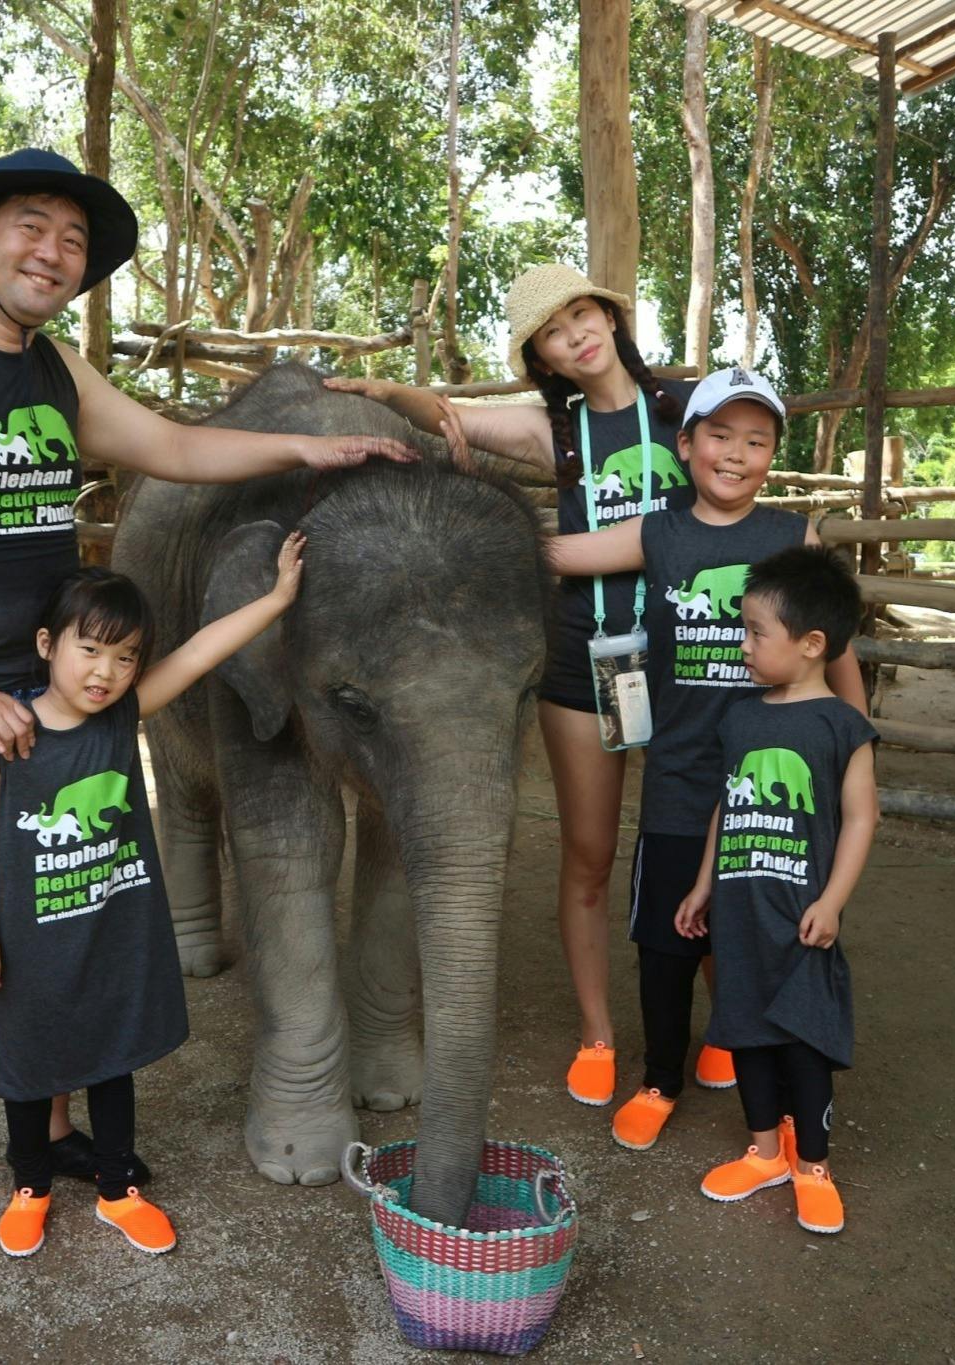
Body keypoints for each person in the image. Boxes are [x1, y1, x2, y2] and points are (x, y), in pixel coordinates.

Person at [0, 148, 410, 1288]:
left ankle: (58, 1129)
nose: (53, 254)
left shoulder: (56, 375)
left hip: (54, 696)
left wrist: (309, 444)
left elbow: (173, 449)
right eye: (34, 227)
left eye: (74, 243)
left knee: (63, 925)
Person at [325, 263, 708, 1109]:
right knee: (587, 855)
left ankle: (721, 1023)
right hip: (585, 658)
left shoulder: (688, 408)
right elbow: (454, 418)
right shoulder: (558, 430)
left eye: (583, 312)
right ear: (542, 357)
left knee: (697, 846)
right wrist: (386, 391)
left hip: (693, 651)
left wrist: (532, 551)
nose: (576, 332)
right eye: (552, 330)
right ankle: (598, 1032)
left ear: (609, 316)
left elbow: (688, 526)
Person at [546, 365, 869, 1153]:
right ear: (684, 444)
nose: (736, 453)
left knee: (769, 932)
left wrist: (854, 739)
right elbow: (563, 551)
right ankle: (660, 1078)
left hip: (776, 783)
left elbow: (838, 646)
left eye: (756, 440)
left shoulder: (793, 535)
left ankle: (769, 1079)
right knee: (665, 942)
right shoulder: (659, 531)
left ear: (771, 456)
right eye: (718, 435)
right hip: (684, 773)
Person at [0, 535, 307, 1258]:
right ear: (46, 644)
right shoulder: (8, 731)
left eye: (125, 657)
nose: (107, 671)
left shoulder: (122, 717)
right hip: (32, 937)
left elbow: (195, 654)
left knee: (112, 1056)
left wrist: (278, 597)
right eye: (91, 649)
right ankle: (29, 1185)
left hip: (116, 928)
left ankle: (118, 1188)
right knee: (30, 1062)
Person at [673, 546, 879, 1235]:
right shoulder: (740, 718)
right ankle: (763, 1151)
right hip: (739, 913)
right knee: (744, 1030)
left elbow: (860, 817)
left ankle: (811, 1165)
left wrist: (832, 900)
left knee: (803, 1039)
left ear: (811, 643)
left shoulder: (842, 725)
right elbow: (726, 807)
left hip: (800, 917)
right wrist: (704, 883)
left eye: (756, 631)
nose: (743, 644)